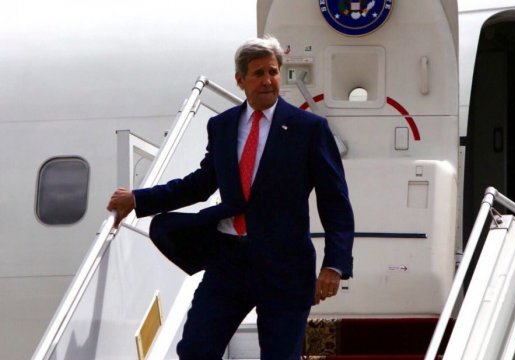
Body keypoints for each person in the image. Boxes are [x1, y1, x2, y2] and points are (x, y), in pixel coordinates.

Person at [107, 35, 354, 360]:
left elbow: (334, 200)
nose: (268, 80)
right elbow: (200, 184)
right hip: (229, 261)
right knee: (195, 349)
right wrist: (139, 199)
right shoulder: (222, 126)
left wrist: (334, 265)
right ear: (240, 80)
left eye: (273, 71)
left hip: (285, 266)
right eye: (258, 73)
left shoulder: (309, 128)